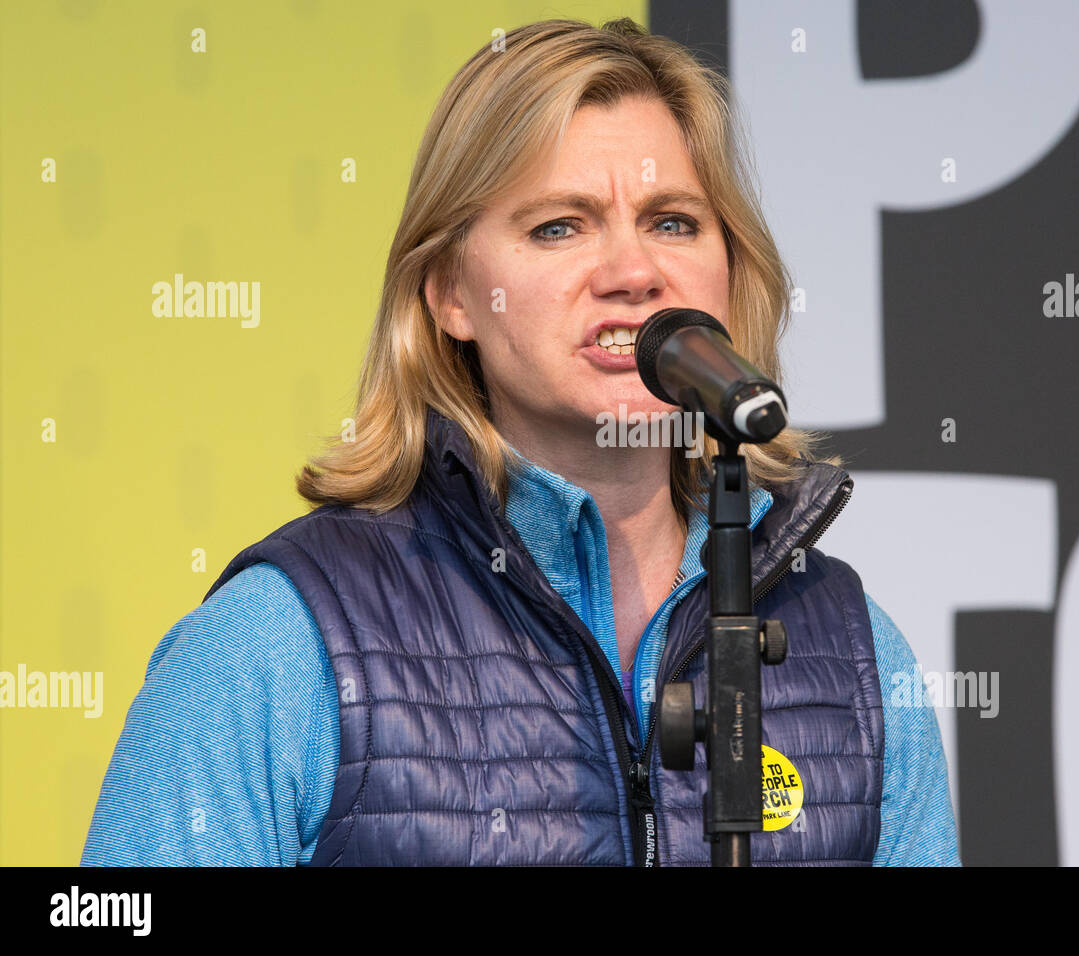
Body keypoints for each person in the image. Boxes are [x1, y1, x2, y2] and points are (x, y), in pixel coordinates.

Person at [81, 17, 960, 866]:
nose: (632, 273)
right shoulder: (279, 641)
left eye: (674, 221)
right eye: (560, 226)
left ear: (731, 272)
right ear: (450, 293)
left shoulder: (854, 651)